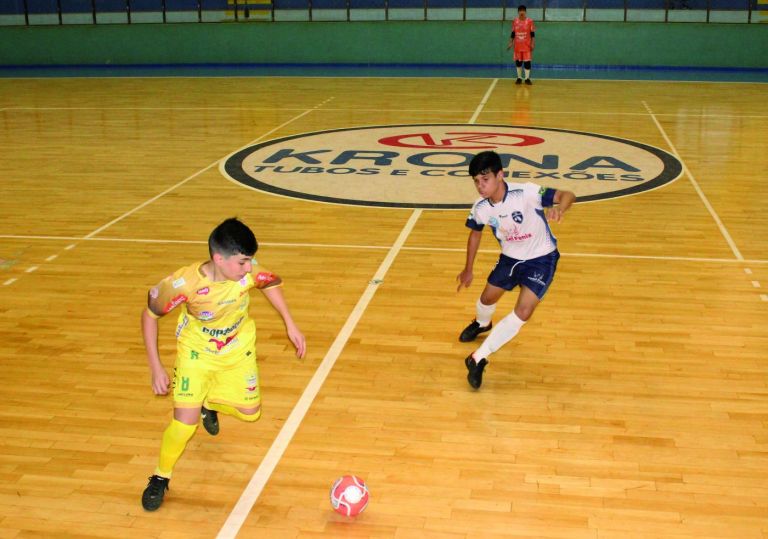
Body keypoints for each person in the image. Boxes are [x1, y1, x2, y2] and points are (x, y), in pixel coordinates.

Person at [140, 217, 306, 511]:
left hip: (238, 350)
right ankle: (160, 476)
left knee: (251, 413)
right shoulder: (184, 284)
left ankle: (210, 405)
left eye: (250, 261)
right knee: (183, 424)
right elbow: (150, 316)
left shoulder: (249, 270)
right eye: (242, 263)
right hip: (196, 354)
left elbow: (268, 284)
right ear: (219, 258)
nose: (249, 268)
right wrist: (156, 367)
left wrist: (289, 323)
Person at [456, 151, 574, 389]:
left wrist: (560, 207)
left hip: (542, 258)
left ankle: (479, 357)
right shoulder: (480, 207)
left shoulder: (526, 192)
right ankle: (482, 323)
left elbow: (567, 194)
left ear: (500, 175)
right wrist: (468, 268)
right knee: (487, 298)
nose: (480, 186)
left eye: (485, 179)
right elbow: (475, 233)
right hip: (510, 259)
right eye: (476, 181)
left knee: (524, 310)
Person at [507, 5, 536, 85]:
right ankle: (519, 78)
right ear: (518, 12)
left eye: (523, 10)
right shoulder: (515, 21)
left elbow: (532, 34)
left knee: (527, 63)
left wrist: (533, 43)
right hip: (517, 46)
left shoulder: (530, 21)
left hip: (527, 46)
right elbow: (513, 33)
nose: (522, 12)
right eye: (520, 10)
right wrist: (510, 42)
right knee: (518, 62)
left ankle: (527, 79)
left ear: (525, 12)